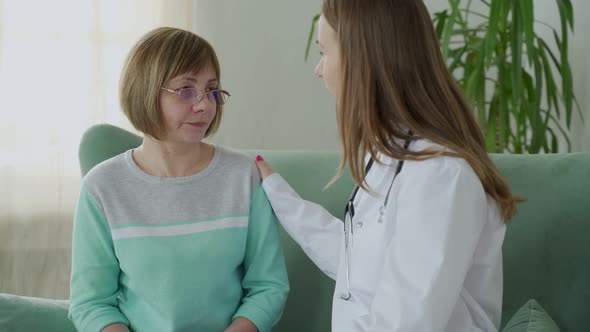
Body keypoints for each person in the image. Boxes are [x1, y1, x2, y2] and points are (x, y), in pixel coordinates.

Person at [254, 0, 520, 331]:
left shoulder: (439, 175)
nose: (319, 69)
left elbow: (404, 324)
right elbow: (361, 264)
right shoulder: (391, 154)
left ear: (361, 59)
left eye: (324, 51)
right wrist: (282, 198)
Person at [69, 27, 289, 332]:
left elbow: (268, 287)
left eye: (212, 90)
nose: (205, 105)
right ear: (145, 91)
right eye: (186, 90)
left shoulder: (244, 177)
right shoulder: (102, 187)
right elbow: (91, 303)